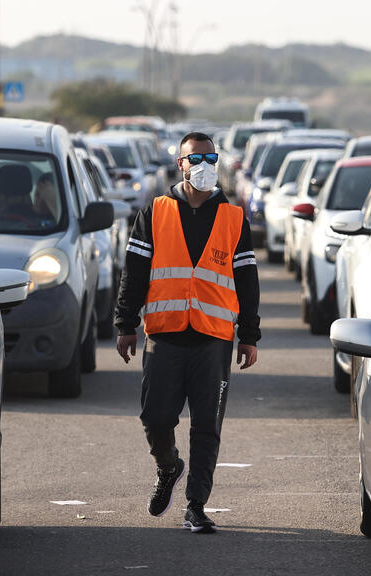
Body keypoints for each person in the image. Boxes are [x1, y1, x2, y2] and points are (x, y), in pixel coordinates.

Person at [114, 131, 261, 534]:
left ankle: (196, 506)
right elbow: (135, 274)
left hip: (213, 339)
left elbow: (247, 279)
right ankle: (168, 466)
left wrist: (249, 333)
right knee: (156, 418)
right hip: (164, 335)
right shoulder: (156, 212)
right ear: (180, 164)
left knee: (207, 427)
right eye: (194, 158)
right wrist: (125, 324)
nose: (203, 165)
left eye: (210, 157)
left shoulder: (233, 218)